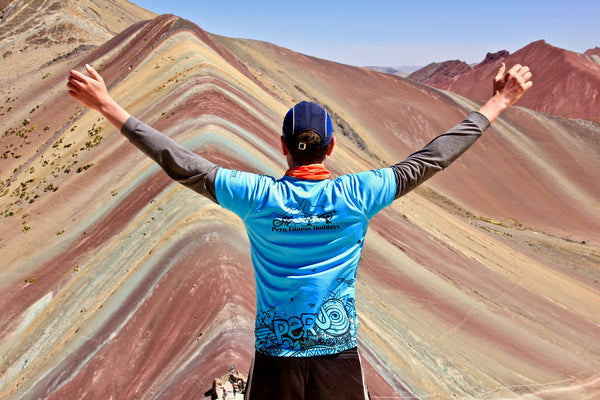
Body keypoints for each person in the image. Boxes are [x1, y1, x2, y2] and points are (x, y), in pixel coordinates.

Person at [67, 62, 532, 399]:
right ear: (330, 145)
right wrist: (500, 99)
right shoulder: (359, 194)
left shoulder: (257, 197)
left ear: (283, 146)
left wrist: (107, 104)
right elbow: (433, 157)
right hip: (339, 357)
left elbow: (180, 162)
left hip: (275, 361)